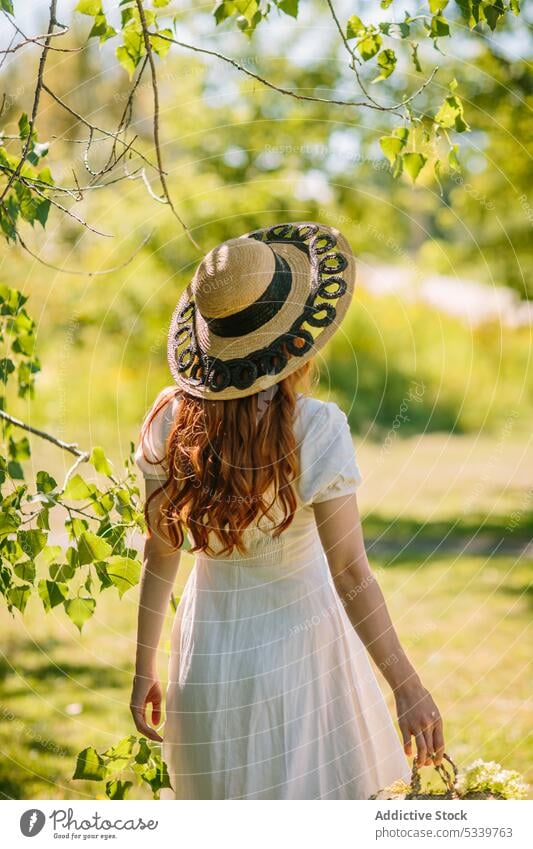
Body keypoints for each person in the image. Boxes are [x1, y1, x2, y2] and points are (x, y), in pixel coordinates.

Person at [130, 221, 444, 800]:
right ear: (293, 339)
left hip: (210, 656)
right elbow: (351, 572)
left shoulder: (170, 425)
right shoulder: (317, 428)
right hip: (304, 658)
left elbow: (161, 550)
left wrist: (144, 666)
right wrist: (407, 686)